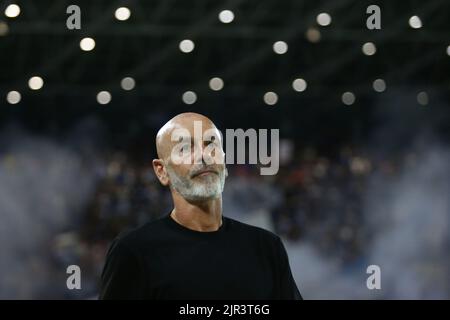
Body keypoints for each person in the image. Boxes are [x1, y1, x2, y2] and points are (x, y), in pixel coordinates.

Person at [99, 112, 302, 300]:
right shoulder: (134, 251)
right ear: (161, 171)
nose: (203, 156)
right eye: (185, 148)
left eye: (211, 145)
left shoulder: (266, 247)